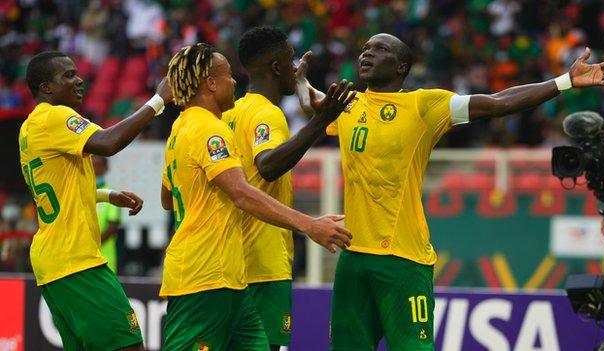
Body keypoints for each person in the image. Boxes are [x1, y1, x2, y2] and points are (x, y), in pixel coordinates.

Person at [296, 34, 604, 350]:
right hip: (353, 256)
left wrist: (564, 81)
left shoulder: (424, 105)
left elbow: (496, 103)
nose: (367, 54)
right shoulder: (349, 104)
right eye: (365, 48)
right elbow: (314, 102)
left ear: (401, 69)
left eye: (380, 49)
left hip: (403, 260)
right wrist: (298, 79)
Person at [160, 43, 354, 350]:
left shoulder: (179, 128)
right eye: (227, 76)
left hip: (231, 276)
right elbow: (241, 193)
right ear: (210, 84)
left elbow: (168, 199)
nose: (235, 82)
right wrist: (310, 226)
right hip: (204, 274)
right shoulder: (210, 130)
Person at [19, 51, 172, 350]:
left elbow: (51, 189)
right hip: (76, 261)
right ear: (46, 87)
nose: (79, 80)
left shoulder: (28, 128)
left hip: (52, 264)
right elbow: (107, 142)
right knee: (129, 345)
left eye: (77, 73)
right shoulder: (56, 115)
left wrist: (106, 195)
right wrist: (158, 101)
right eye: (68, 75)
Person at [222, 26, 353, 351]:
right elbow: (268, 166)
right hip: (264, 264)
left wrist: (300, 83)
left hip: (231, 261)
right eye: (290, 61)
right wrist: (320, 122)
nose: (296, 68)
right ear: (277, 67)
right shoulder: (268, 113)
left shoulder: (231, 113)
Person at [93, 155, 121, 273]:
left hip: (106, 257)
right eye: (93, 166)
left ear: (106, 169)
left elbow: (112, 227)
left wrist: (91, 244)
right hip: (82, 258)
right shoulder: (80, 193)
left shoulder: (111, 194)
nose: (96, 170)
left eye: (99, 166)